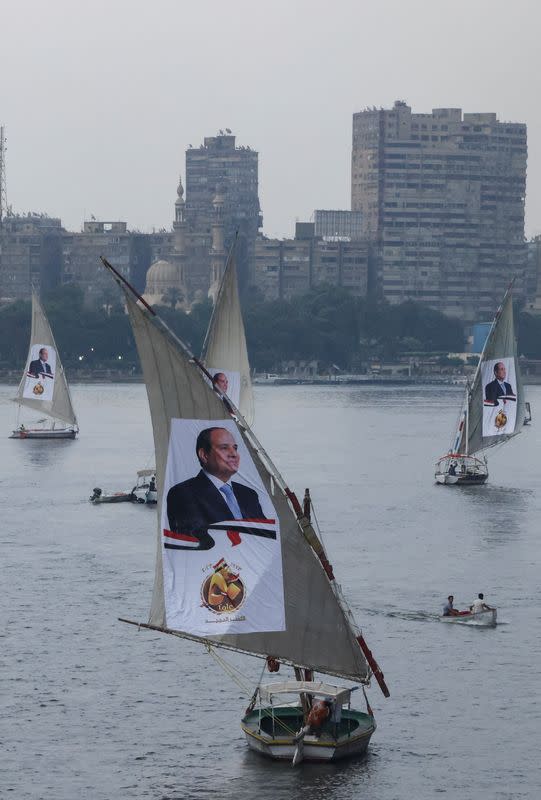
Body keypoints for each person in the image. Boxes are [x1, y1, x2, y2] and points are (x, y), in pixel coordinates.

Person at [166, 427, 264, 542]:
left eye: (235, 448)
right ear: (204, 455)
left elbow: (265, 537)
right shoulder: (182, 493)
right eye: (224, 448)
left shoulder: (249, 495)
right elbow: (196, 543)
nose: (233, 454)